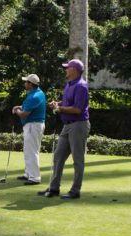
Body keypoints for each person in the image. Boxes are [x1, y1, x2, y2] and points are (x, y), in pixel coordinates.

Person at [38, 59, 90, 199]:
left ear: (75, 70)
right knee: (58, 156)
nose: (65, 69)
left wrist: (59, 108)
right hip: (67, 126)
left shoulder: (81, 86)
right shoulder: (69, 85)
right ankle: (54, 188)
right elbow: (68, 102)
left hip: (78, 125)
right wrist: (57, 103)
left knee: (77, 160)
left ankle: (75, 191)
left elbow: (78, 109)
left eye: (68, 68)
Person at [12, 74, 46, 185]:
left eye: (26, 82)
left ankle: (35, 177)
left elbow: (24, 114)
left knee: (31, 152)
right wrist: (19, 107)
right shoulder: (36, 93)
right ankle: (28, 173)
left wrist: (16, 111)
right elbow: (26, 107)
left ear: (31, 84)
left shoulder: (34, 96)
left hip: (33, 125)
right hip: (33, 125)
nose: (25, 83)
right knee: (28, 151)